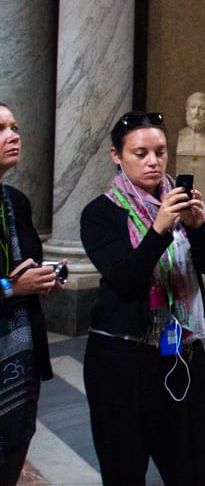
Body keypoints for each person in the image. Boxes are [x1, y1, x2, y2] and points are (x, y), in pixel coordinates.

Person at [79, 110, 205, 485]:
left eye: (159, 152)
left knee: (191, 464)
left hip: (183, 351)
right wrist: (159, 227)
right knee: (125, 470)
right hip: (123, 360)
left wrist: (194, 229)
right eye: (140, 153)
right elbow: (125, 280)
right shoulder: (100, 214)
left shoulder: (184, 203)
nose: (153, 162)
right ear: (116, 156)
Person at [0, 102, 61, 486]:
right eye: (2, 128)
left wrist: (43, 279)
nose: (14, 135)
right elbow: (11, 282)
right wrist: (10, 287)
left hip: (20, 356)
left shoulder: (16, 201)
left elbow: (25, 267)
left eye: (15, 126)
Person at [176, 91, 205, 157]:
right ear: (187, 109)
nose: (196, 113)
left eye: (202, 108)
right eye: (193, 107)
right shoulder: (181, 134)